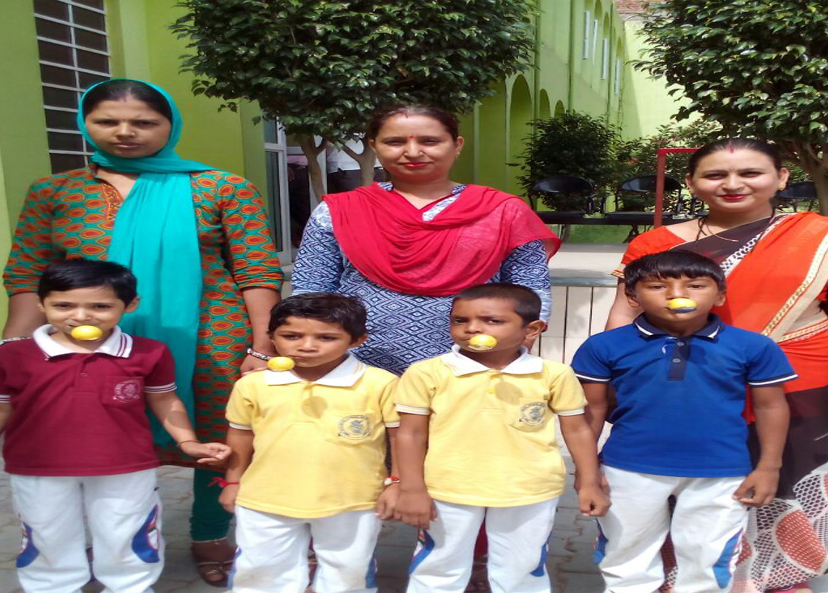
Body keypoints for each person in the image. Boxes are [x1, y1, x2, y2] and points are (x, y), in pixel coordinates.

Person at [1, 79, 284, 586]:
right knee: (83, 430)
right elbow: (27, 274)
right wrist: (16, 347)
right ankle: (92, 540)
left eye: (144, 122)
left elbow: (257, 271)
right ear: (84, 123)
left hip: (209, 334)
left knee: (217, 430)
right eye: (107, 121)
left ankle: (209, 533)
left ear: (170, 125)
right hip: (83, 339)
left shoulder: (221, 187)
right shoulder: (55, 191)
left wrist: (262, 345)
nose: (125, 132)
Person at [604, 138, 828, 592]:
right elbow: (626, 313)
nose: (733, 184)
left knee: (788, 471)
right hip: (683, 374)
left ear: (781, 178)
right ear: (692, 183)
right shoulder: (655, 243)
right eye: (715, 175)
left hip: (799, 370)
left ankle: (781, 575)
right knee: (678, 472)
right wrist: (614, 375)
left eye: (750, 173)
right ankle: (680, 574)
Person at [0, 259, 231, 593]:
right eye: (63, 305)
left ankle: (130, 589)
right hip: (37, 466)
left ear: (130, 304)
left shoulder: (148, 352)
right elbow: (4, 406)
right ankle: (51, 589)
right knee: (46, 536)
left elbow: (165, 400)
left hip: (126, 465)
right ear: (41, 304)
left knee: (128, 533)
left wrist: (188, 442)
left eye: (100, 306)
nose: (81, 316)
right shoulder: (12, 355)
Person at [572, 251, 792, 593]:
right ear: (632, 297)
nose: (677, 295)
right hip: (628, 469)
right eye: (657, 286)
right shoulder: (604, 346)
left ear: (720, 295)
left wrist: (768, 468)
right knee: (625, 557)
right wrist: (587, 475)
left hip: (722, 472)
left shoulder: (753, 347)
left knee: (708, 560)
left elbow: (771, 407)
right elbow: (591, 413)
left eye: (696, 285)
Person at [292, 105, 560, 376]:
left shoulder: (503, 211)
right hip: (358, 369)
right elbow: (311, 290)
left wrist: (508, 358)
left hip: (474, 366)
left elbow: (531, 291)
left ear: (457, 145)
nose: (412, 152)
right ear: (374, 146)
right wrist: (318, 358)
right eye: (394, 142)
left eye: (429, 141)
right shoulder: (339, 211)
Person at [394, 283, 609, 593]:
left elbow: (577, 429)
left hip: (531, 488)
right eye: (460, 320)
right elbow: (410, 433)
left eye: (491, 320)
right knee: (440, 566)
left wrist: (588, 482)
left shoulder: (553, 373)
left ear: (532, 329)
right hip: (447, 487)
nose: (472, 328)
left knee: (521, 568)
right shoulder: (427, 372)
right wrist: (411, 488)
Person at [218, 293, 399, 592]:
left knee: (347, 575)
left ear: (357, 340)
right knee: (261, 574)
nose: (306, 346)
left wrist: (397, 482)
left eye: (326, 337)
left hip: (354, 499)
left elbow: (399, 436)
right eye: (291, 336)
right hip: (264, 498)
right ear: (271, 336)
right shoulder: (253, 384)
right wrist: (233, 481)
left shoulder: (380, 384)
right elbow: (241, 434)